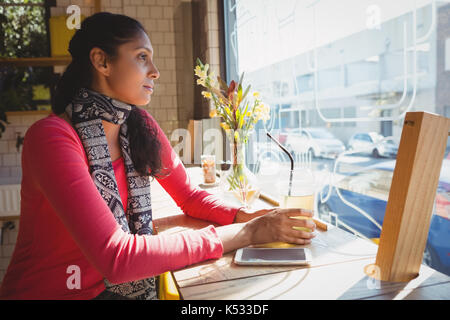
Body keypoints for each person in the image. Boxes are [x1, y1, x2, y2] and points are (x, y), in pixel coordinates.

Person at [0, 12, 315, 300]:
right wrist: (248, 233)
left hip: (104, 291)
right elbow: (118, 257)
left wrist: (243, 216)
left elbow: (189, 196)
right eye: (141, 57)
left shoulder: (139, 125)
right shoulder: (52, 138)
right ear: (102, 61)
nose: (155, 71)